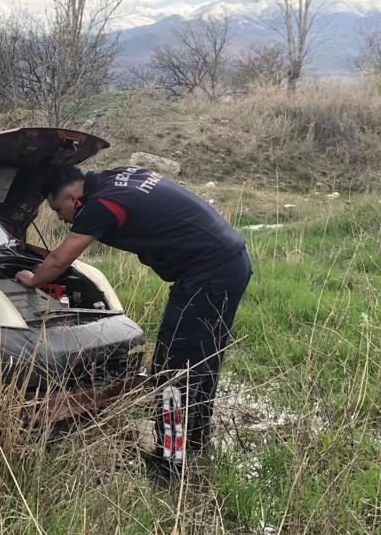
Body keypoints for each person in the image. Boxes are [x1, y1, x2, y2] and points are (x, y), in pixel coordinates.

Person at [14, 165, 252, 469]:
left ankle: (170, 460)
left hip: (207, 273)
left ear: (73, 198)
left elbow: (61, 259)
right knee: (202, 359)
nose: (61, 218)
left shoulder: (100, 205)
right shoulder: (116, 178)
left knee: (172, 368)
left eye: (58, 209)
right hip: (232, 262)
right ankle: (195, 439)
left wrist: (33, 279)